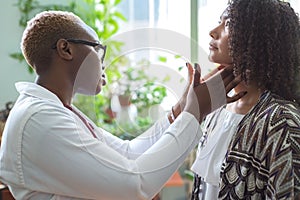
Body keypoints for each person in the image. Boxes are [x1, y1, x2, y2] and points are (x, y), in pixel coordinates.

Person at [0, 10, 244, 200]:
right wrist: (194, 113)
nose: (102, 62)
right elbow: (134, 186)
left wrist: (180, 110)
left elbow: (128, 153)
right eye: (98, 49)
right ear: (66, 49)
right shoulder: (40, 120)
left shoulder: (55, 111)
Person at [190, 0, 300, 199]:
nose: (213, 32)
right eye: (219, 22)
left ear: (258, 38)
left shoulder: (281, 122)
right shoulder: (216, 110)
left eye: (229, 24)